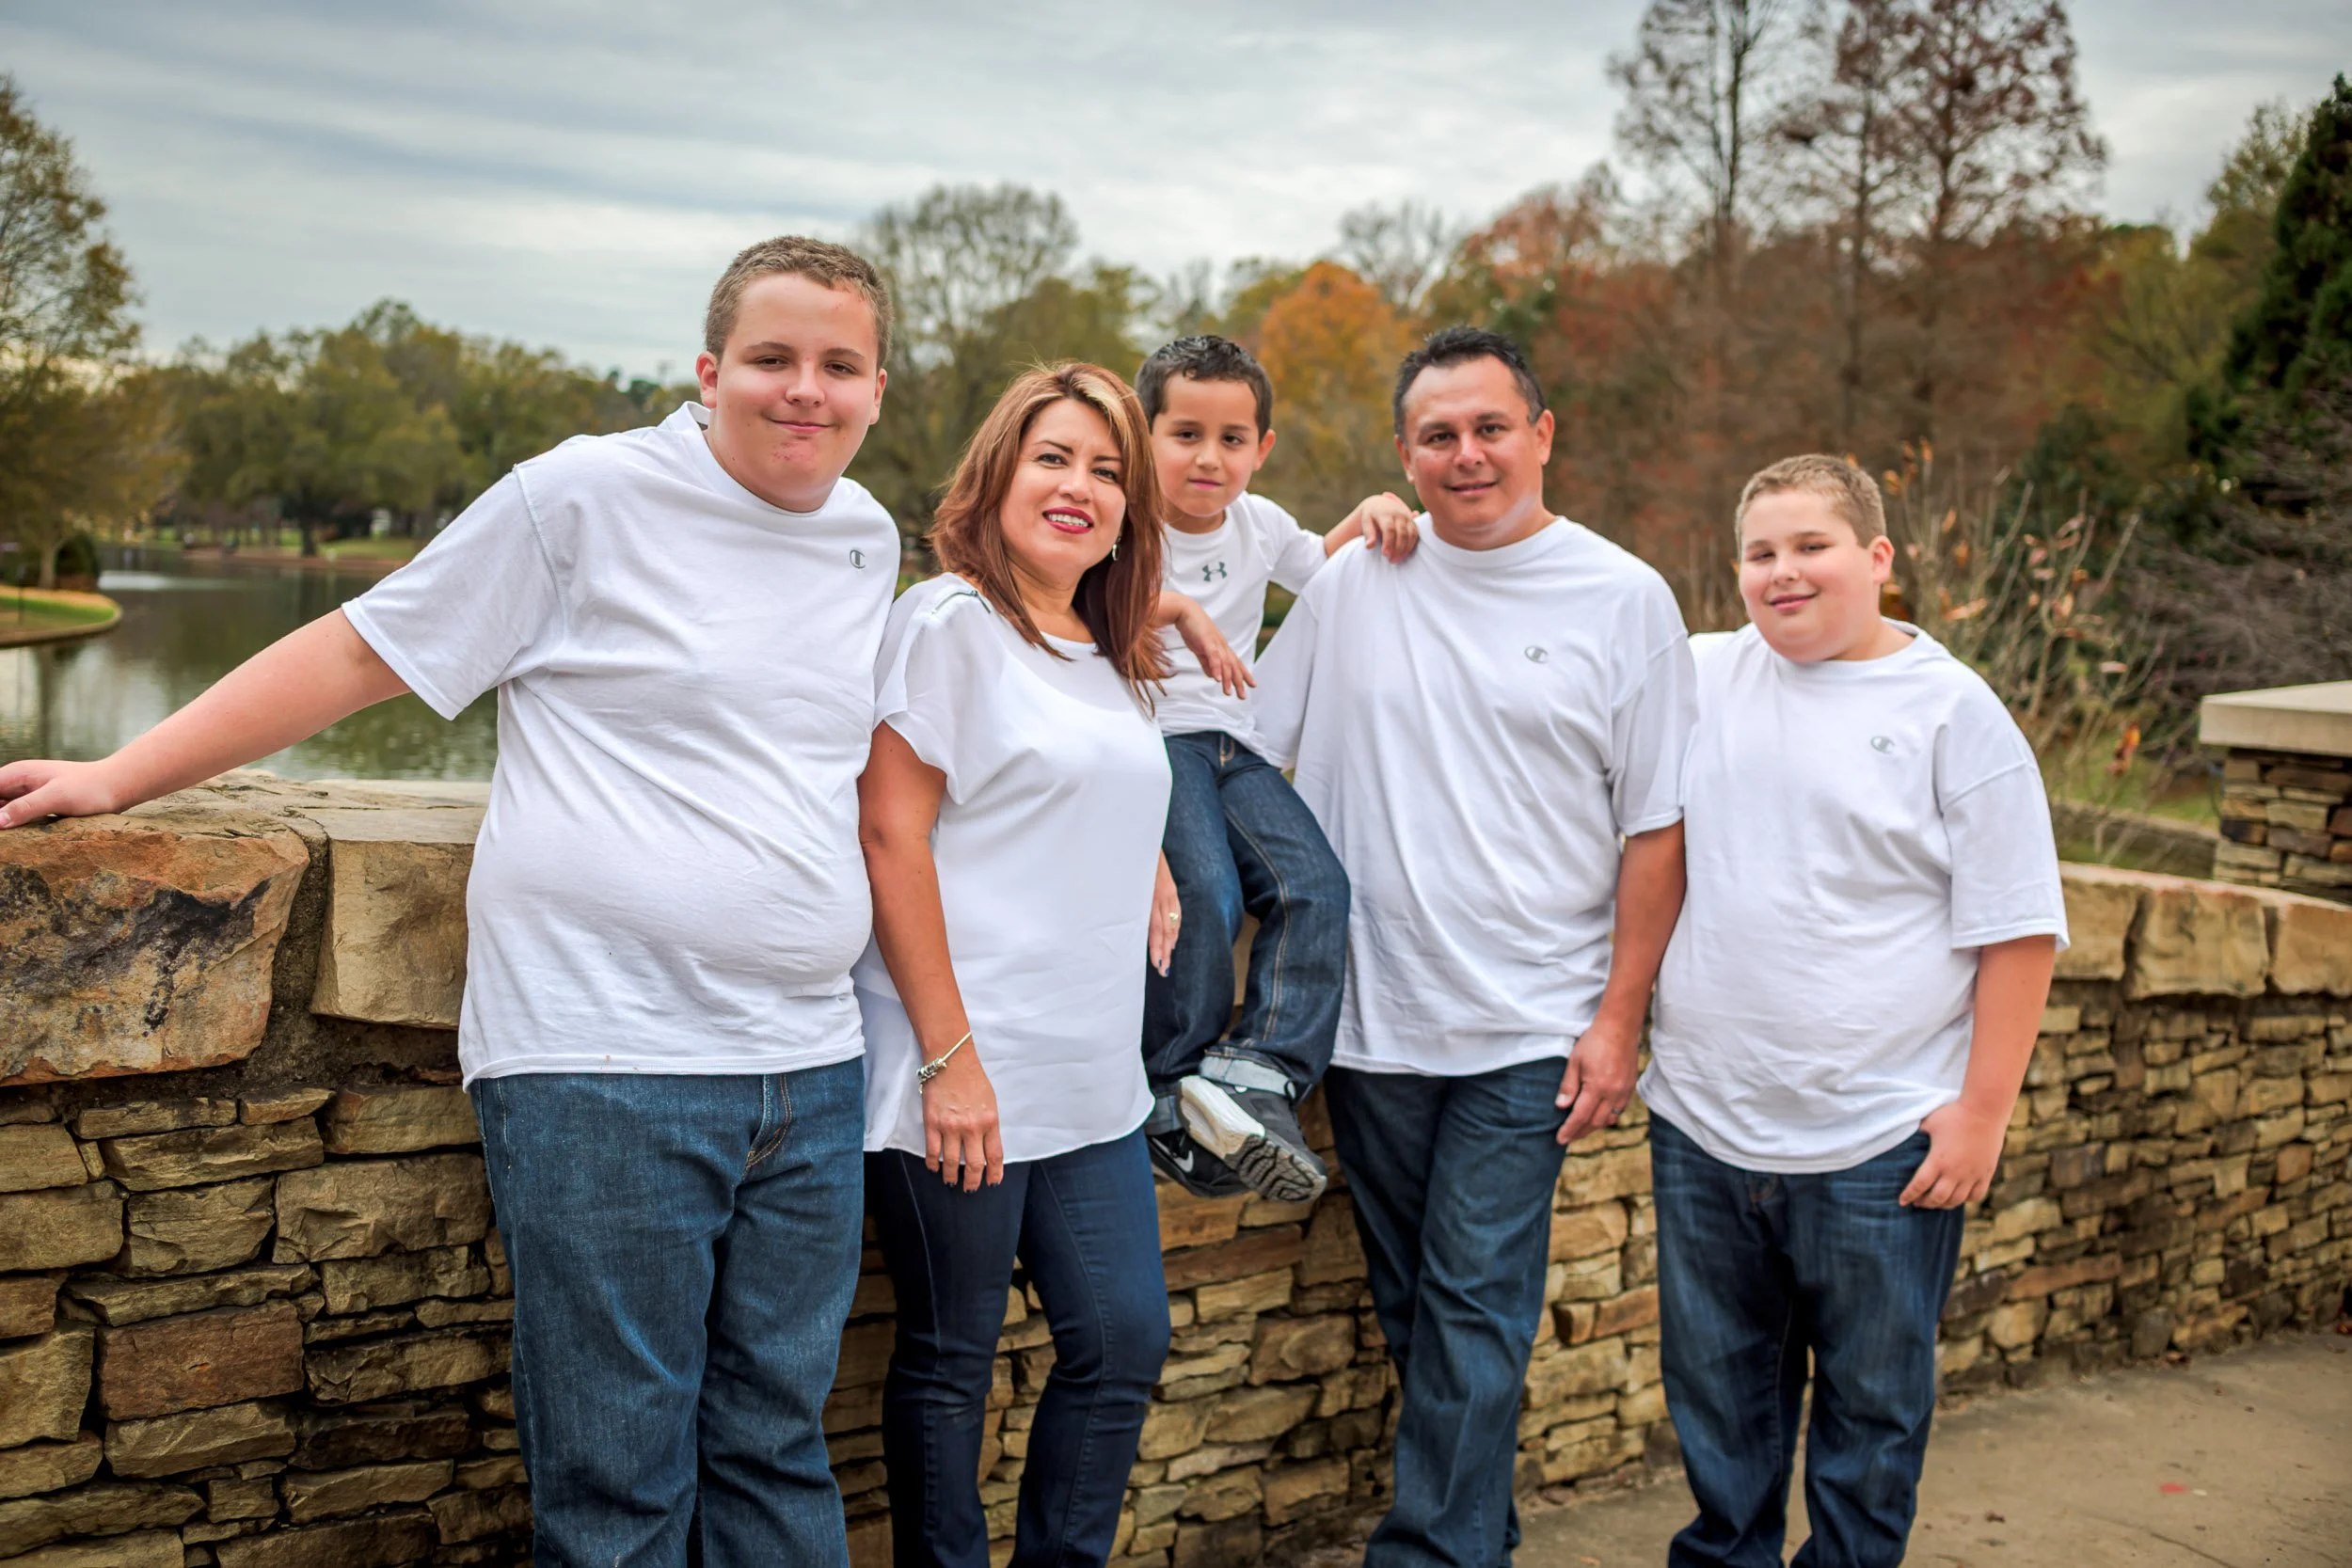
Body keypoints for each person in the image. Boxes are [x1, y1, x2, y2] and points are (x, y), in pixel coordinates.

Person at [0, 236, 900, 1568]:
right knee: (620, 1488)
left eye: (839, 364)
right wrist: (120, 773)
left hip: (812, 1065)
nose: (804, 389)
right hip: (608, 1060)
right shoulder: (583, 496)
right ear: (710, 372)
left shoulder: (867, 537)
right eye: (772, 357)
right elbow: (362, 650)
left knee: (777, 1448)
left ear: (877, 388)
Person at [1250, 326, 1695, 1567]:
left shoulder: (1624, 597)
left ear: (1541, 433)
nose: (1467, 454)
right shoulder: (1354, 582)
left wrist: (1619, 1019)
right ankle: (1475, 1538)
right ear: (1404, 453)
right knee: (1424, 1310)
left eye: (1490, 427)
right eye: (1437, 435)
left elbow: (1657, 829)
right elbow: (1244, 742)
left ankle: (1430, 1555)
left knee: (1472, 1301)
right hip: (1370, 1017)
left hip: (1532, 1023)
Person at [1643, 454, 2066, 1568]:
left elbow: (2019, 929)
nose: (1781, 571)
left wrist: (1981, 1114)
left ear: (1877, 556)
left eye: (1809, 546)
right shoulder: (1700, 674)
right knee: (1717, 1404)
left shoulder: (1952, 712)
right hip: (1701, 1120)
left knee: (1871, 1413)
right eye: (1759, 552)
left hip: (1880, 1136)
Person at [855, 362, 1188, 1568]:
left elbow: (1078, 783)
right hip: (964, 1064)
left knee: (1122, 1338)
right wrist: (949, 1058)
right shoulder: (948, 622)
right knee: (951, 1360)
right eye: (1052, 457)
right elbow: (890, 834)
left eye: (1106, 470)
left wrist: (1148, 857)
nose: (1077, 487)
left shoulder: (1107, 647)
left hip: (1089, 1072)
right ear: (997, 472)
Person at [1132, 333, 1419, 1204]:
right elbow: (1086, 604)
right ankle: (1170, 1091)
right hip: (1154, 740)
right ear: (1143, 435)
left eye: (1231, 439)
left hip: (1236, 745)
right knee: (1207, 895)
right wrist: (1177, 609)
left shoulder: (1259, 523)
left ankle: (1259, 1071)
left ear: (1262, 448)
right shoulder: (1122, 521)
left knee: (1316, 887)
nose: (1208, 458)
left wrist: (1371, 512)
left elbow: (1327, 570)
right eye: (1185, 434)